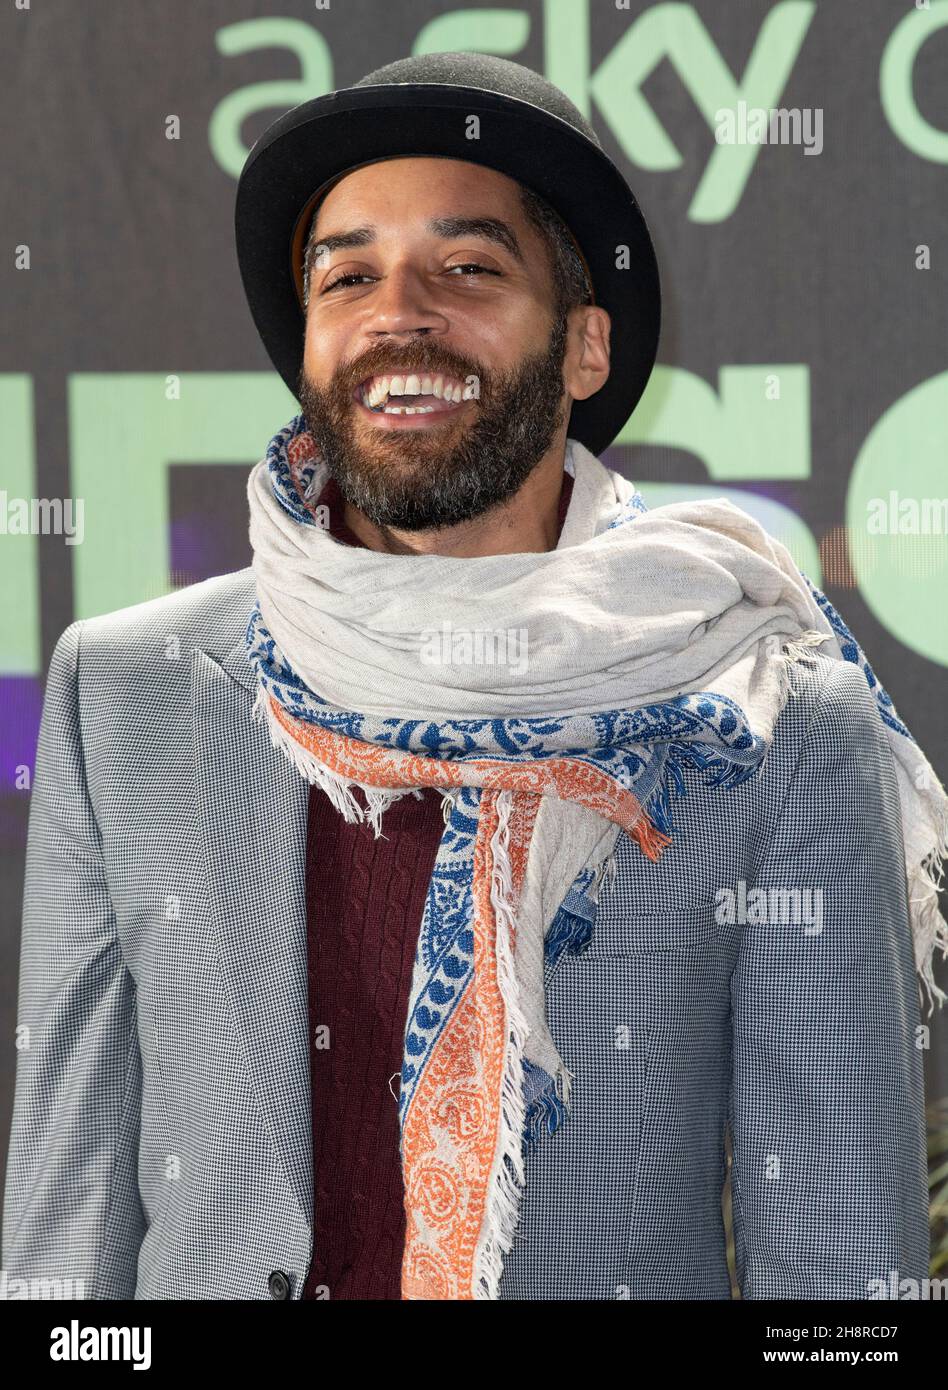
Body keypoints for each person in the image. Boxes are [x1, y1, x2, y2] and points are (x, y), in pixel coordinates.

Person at [3, 52, 945, 1302]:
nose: (399, 313)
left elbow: (835, 1274)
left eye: (469, 268)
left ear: (585, 347)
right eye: (348, 275)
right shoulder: (122, 694)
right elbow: (62, 1252)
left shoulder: (760, 717)